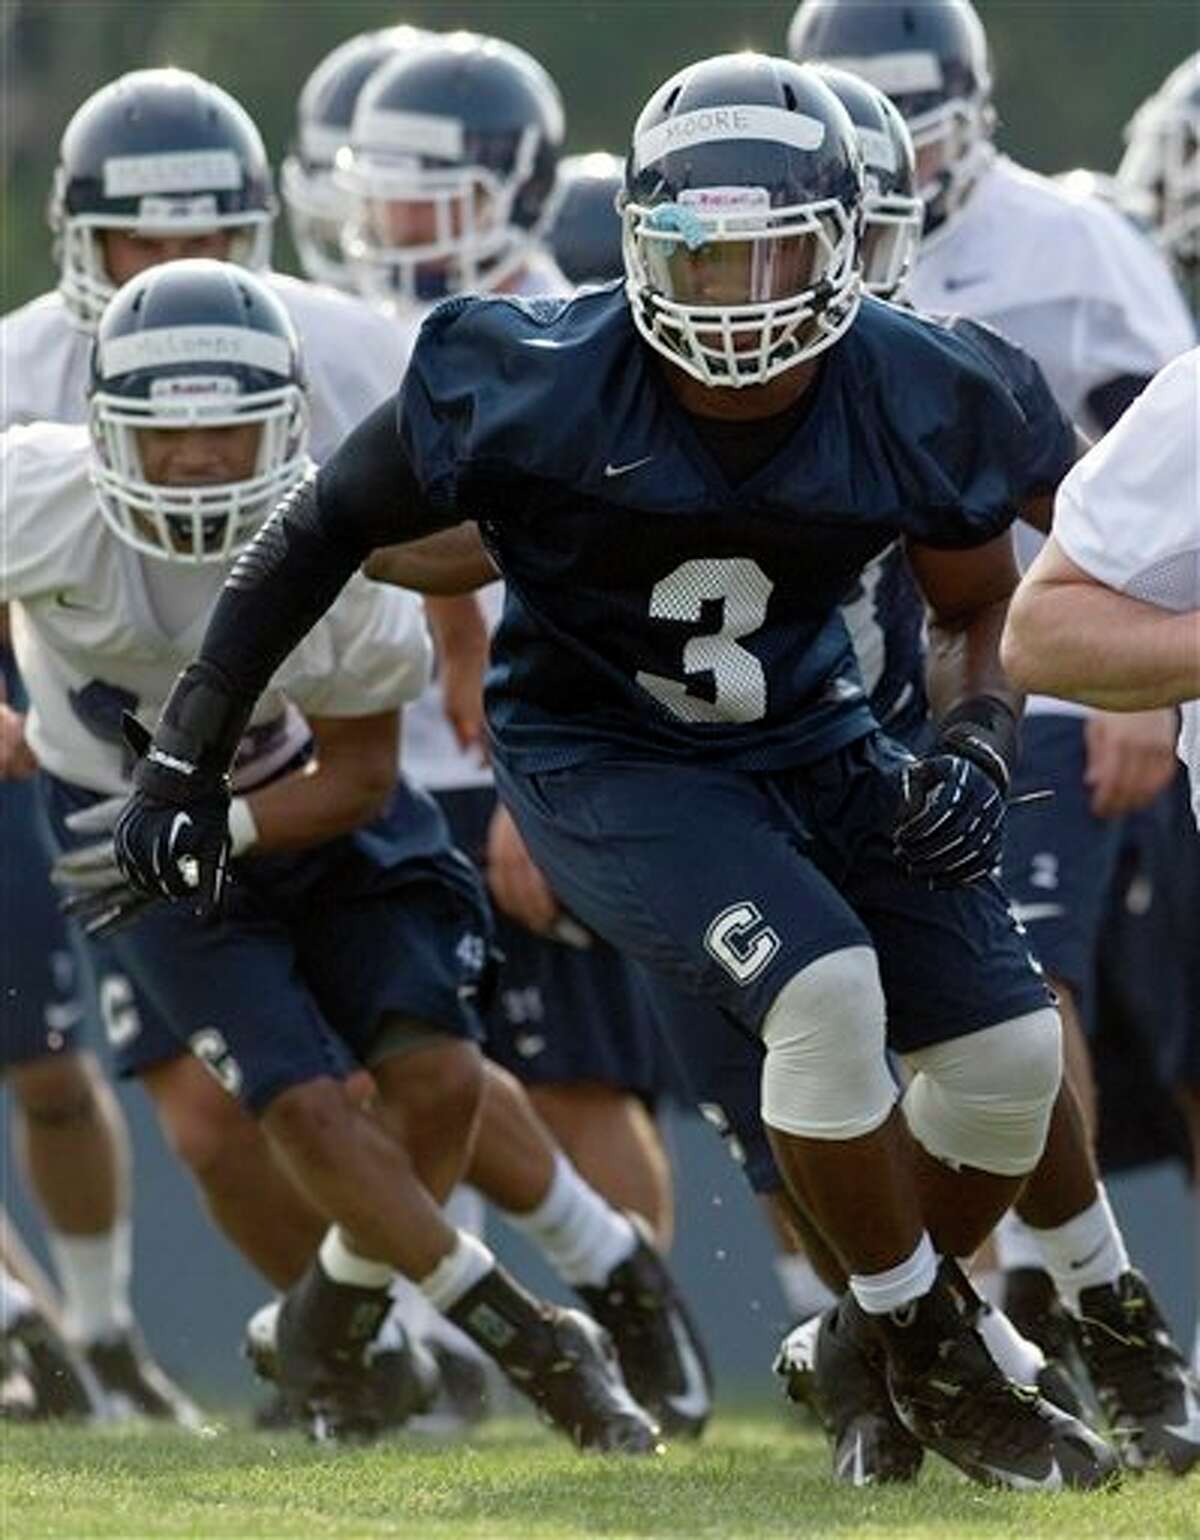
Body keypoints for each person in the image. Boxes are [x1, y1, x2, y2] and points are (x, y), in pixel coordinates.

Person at [108, 52, 1131, 1491]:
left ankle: (866, 1338)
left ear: (848, 241)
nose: (739, 293)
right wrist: (182, 758)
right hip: (600, 748)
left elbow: (1078, 555)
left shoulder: (930, 381)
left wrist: (979, 730)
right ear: (641, 245)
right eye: (698, 253)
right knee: (827, 995)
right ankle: (931, 1350)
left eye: (775, 248)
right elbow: (319, 523)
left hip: (812, 732)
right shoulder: (529, 373)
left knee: (1014, 1062)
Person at [3, 256, 659, 1454]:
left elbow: (359, 774)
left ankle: (327, 1327)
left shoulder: (346, 563)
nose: (201, 464)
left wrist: (229, 822)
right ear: (102, 429)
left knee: (441, 1079)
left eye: (230, 432)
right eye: (169, 437)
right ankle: (533, 1336)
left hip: (299, 811)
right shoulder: (29, 493)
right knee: (294, 1108)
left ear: (288, 423)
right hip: (124, 833)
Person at [788, 0, 1197, 1430]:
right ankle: (975, 1302)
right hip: (847, 690)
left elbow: (1111, 500)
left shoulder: (1075, 251)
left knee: (1021, 981)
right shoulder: (774, 241)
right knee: (861, 1020)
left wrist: (1133, 689)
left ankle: (1059, 1295)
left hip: (1029, 675)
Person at [0, 64, 414, 1420]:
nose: (173, 268)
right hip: (89, 772)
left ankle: (433, 1323)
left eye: (203, 237)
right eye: (142, 238)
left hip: (308, 750)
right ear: (81, 239)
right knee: (189, 1104)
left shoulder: (342, 345)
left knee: (420, 1064)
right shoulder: (23, 393)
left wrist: (472, 683)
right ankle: (357, 1346)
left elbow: (465, 543)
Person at [340, 34, 713, 1431]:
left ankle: (650, 1351)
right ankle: (472, 1346)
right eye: (376, 183)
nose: (388, 213)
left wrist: (536, 790)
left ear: (511, 182)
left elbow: (604, 587)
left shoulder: (583, 333)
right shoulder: (354, 319)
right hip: (388, 754)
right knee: (415, 1057)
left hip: (530, 752)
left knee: (576, 1073)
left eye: (421, 185)